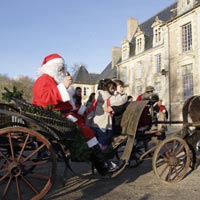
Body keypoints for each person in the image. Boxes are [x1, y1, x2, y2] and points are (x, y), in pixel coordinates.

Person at [32, 53, 124, 175]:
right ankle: (103, 165)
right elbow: (45, 99)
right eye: (61, 67)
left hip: (60, 115)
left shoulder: (51, 80)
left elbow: (65, 104)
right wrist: (63, 86)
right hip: (56, 117)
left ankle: (100, 161)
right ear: (54, 67)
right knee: (88, 133)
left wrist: (83, 109)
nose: (64, 70)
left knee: (88, 130)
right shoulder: (44, 80)